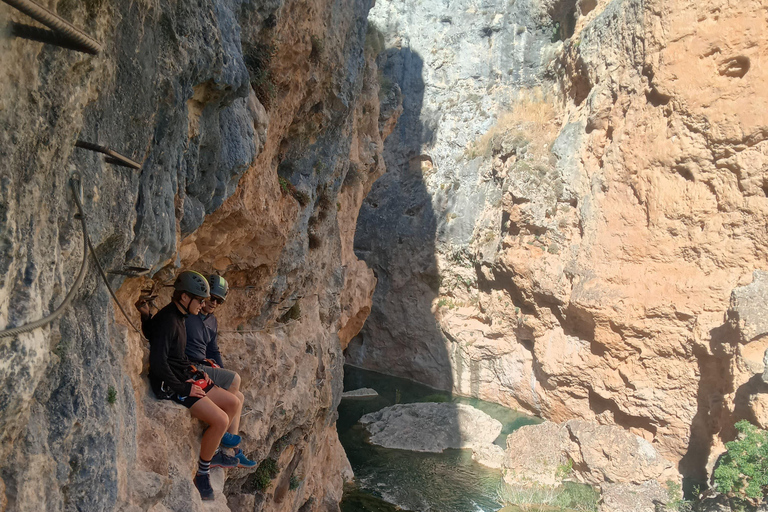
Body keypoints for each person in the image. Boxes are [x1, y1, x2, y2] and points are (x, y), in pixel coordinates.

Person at [145, 270, 242, 501]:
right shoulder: (170, 320)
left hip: (184, 374)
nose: (203, 304)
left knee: (232, 402)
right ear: (185, 298)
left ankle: (214, 449)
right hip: (171, 384)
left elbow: (157, 337)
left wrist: (198, 373)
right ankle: (202, 472)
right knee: (220, 419)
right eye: (200, 300)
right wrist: (184, 388)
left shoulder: (178, 316)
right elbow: (159, 364)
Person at [185, 274, 255, 468]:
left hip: (203, 365)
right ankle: (222, 436)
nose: (214, 303)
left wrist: (220, 373)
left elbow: (213, 350)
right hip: (192, 366)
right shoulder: (189, 315)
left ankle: (233, 451)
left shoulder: (211, 321)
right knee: (234, 380)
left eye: (219, 300)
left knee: (238, 396)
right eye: (212, 297)